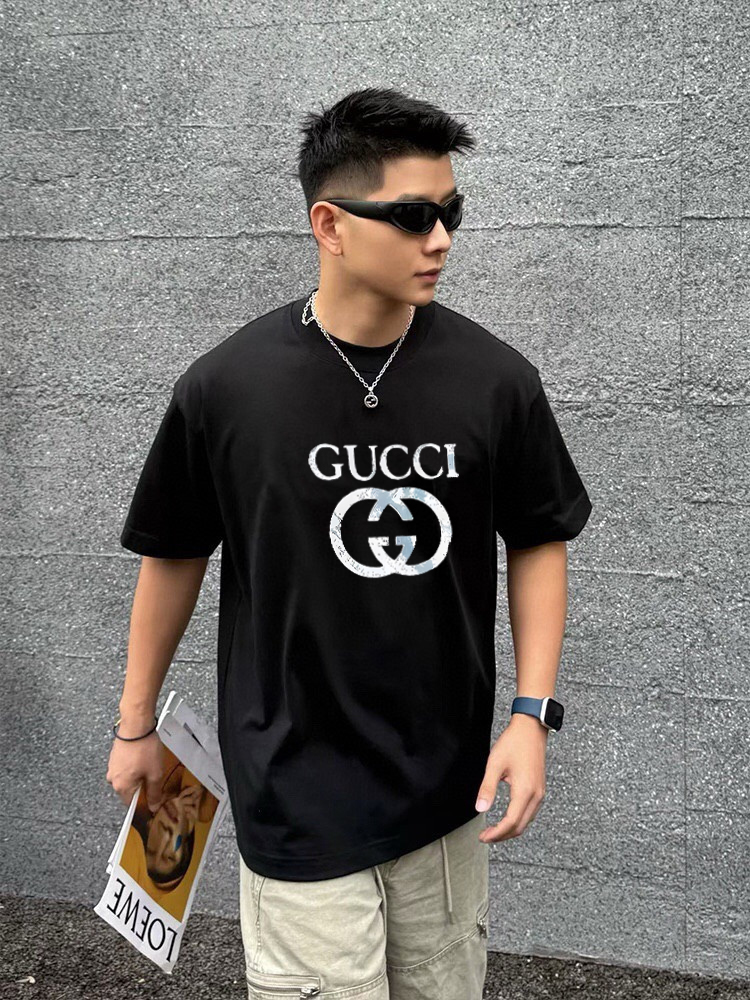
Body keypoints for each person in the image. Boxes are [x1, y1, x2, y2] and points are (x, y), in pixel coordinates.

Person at [106, 86, 593, 999]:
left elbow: (538, 537)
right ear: (329, 225)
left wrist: (531, 716)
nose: (440, 239)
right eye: (412, 217)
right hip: (294, 795)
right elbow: (173, 553)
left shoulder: (496, 382)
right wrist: (136, 728)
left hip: (446, 798)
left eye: (451, 213)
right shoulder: (226, 388)